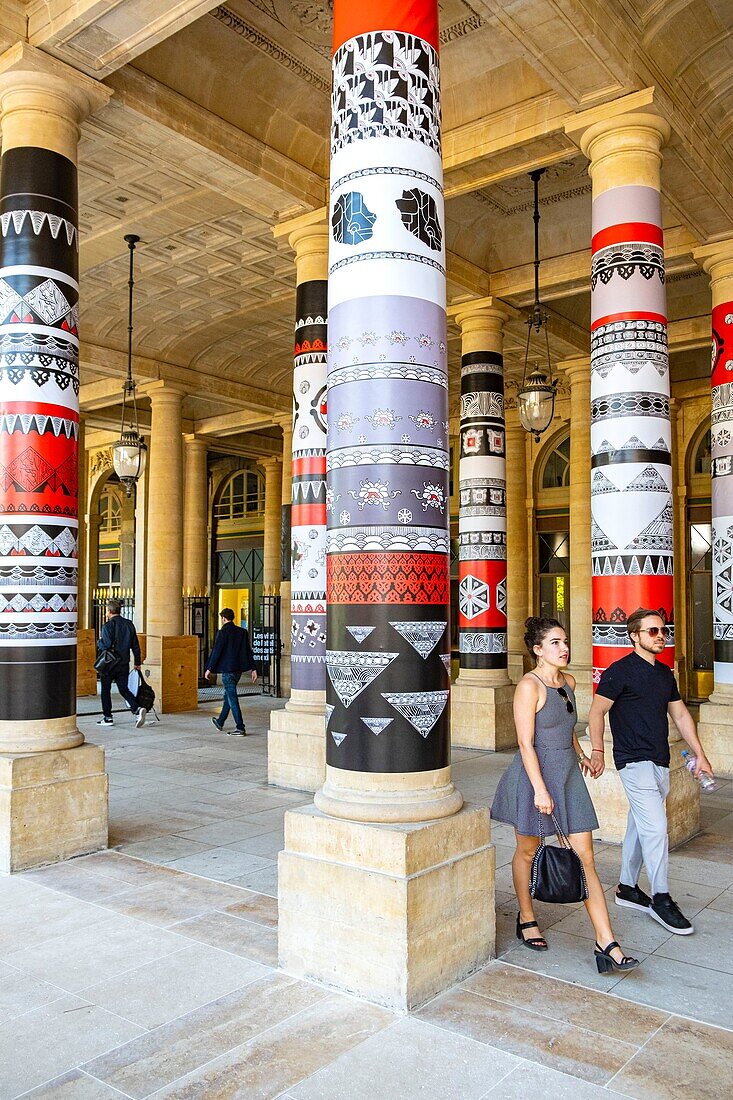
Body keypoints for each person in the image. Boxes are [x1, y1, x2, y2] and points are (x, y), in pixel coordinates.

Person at [492, 616, 638, 974]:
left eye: (565, 641)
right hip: (533, 778)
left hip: (568, 776)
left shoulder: (569, 682)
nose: (564, 648)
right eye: (555, 642)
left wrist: (583, 755)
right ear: (537, 650)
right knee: (528, 850)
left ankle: (607, 942)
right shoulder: (530, 685)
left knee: (585, 857)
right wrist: (540, 790)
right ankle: (527, 917)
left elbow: (567, 727)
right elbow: (526, 743)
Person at [588, 607, 714, 936]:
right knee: (656, 829)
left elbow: (682, 716)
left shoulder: (664, 674)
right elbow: (597, 711)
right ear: (635, 636)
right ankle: (660, 897)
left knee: (639, 826)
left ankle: (627, 888)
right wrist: (598, 749)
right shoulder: (619, 671)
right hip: (633, 761)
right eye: (653, 631)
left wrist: (700, 755)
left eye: (663, 631)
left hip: (659, 761)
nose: (661, 636)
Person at [205, 607, 257, 736]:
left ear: (223, 618)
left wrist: (209, 669)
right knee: (227, 696)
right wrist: (253, 668)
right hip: (238, 671)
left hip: (227, 671)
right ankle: (220, 721)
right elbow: (248, 651)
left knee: (232, 698)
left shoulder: (223, 632)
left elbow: (217, 651)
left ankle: (240, 727)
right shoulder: (242, 632)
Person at [96, 599, 146, 728]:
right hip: (124, 662)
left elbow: (106, 644)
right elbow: (135, 645)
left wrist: (98, 642)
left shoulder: (107, 626)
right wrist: (137, 662)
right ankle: (137, 709)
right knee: (124, 689)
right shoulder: (129, 624)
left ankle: (108, 717)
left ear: (109, 611)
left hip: (109, 663)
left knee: (105, 690)